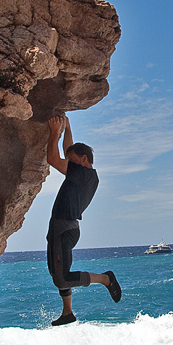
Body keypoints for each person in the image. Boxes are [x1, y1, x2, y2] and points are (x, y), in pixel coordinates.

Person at [45, 115, 121, 326]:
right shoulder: (84, 174)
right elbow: (70, 148)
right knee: (55, 272)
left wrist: (54, 133)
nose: (67, 162)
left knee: (62, 277)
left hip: (64, 228)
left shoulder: (82, 174)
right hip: (61, 227)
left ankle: (105, 278)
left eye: (71, 159)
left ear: (84, 159)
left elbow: (52, 159)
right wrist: (67, 128)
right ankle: (67, 312)